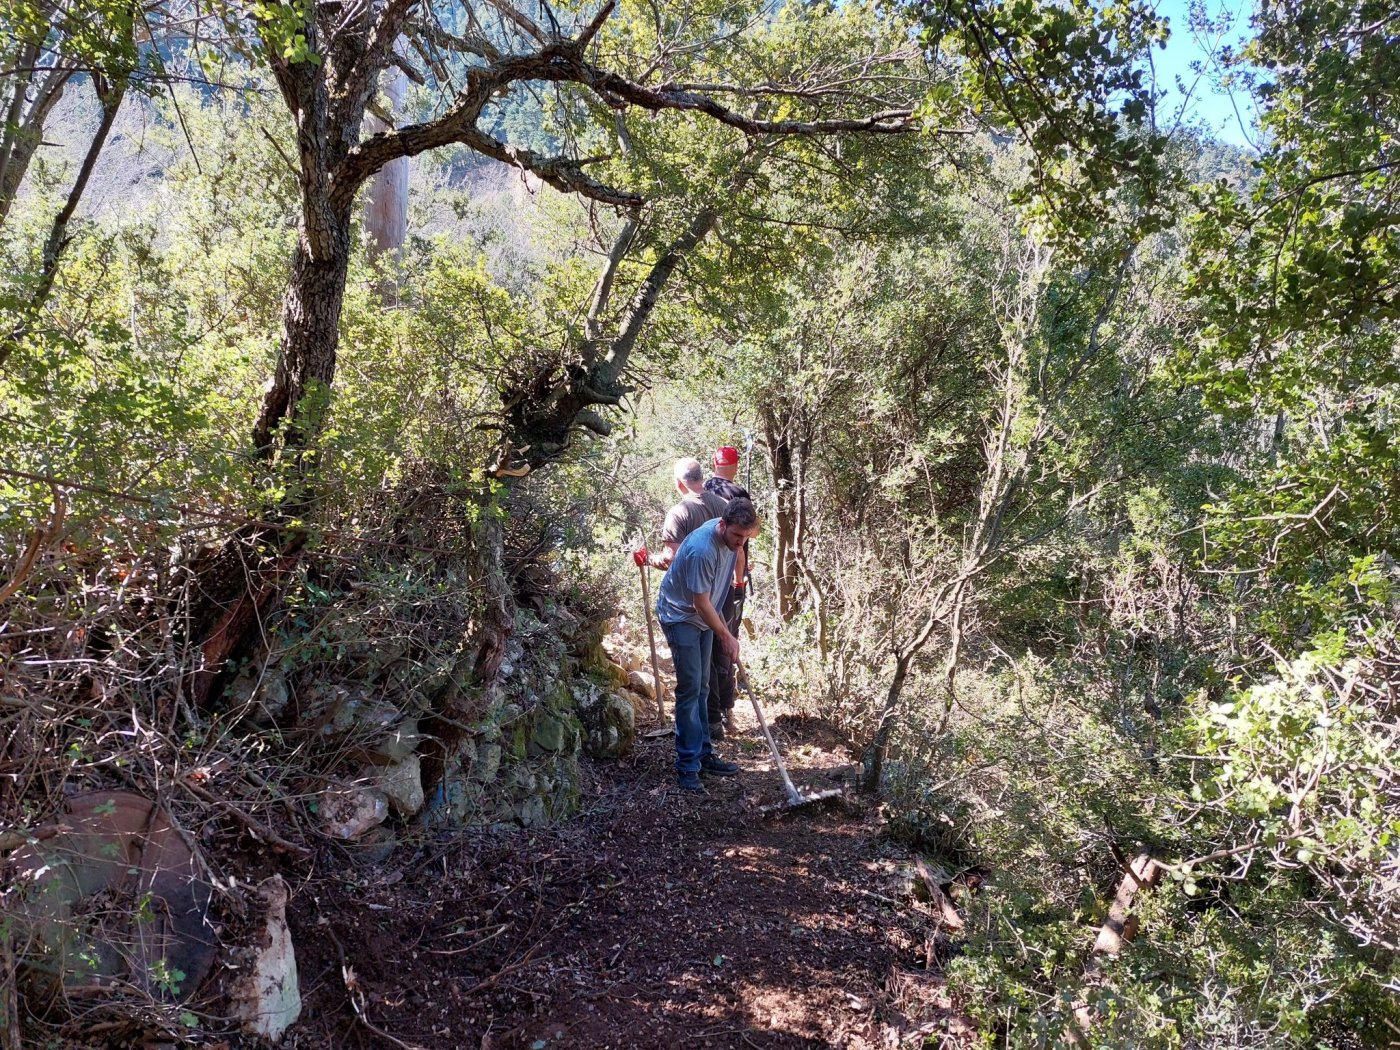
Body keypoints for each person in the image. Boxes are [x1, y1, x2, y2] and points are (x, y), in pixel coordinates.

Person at [652, 499, 760, 792]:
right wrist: (726, 635)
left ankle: (704, 753)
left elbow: (715, 593)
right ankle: (687, 766)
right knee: (690, 688)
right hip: (681, 615)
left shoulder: (733, 542)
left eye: (745, 537)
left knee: (703, 686)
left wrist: (737, 589)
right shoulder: (702, 549)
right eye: (737, 536)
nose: (740, 543)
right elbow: (700, 603)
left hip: (702, 616)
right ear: (723, 525)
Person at [703, 447, 752, 738]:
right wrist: (739, 581)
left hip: (708, 577)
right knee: (729, 639)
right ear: (734, 466)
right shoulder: (739, 494)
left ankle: (715, 711)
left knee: (713, 643)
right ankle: (726, 708)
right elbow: (742, 545)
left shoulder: (705, 490)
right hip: (730, 577)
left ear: (714, 465)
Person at [649, 458, 728, 570]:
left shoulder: (677, 514)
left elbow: (672, 560)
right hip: (722, 585)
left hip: (691, 586)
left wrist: (649, 559)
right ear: (701, 477)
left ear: (678, 481)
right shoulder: (725, 505)